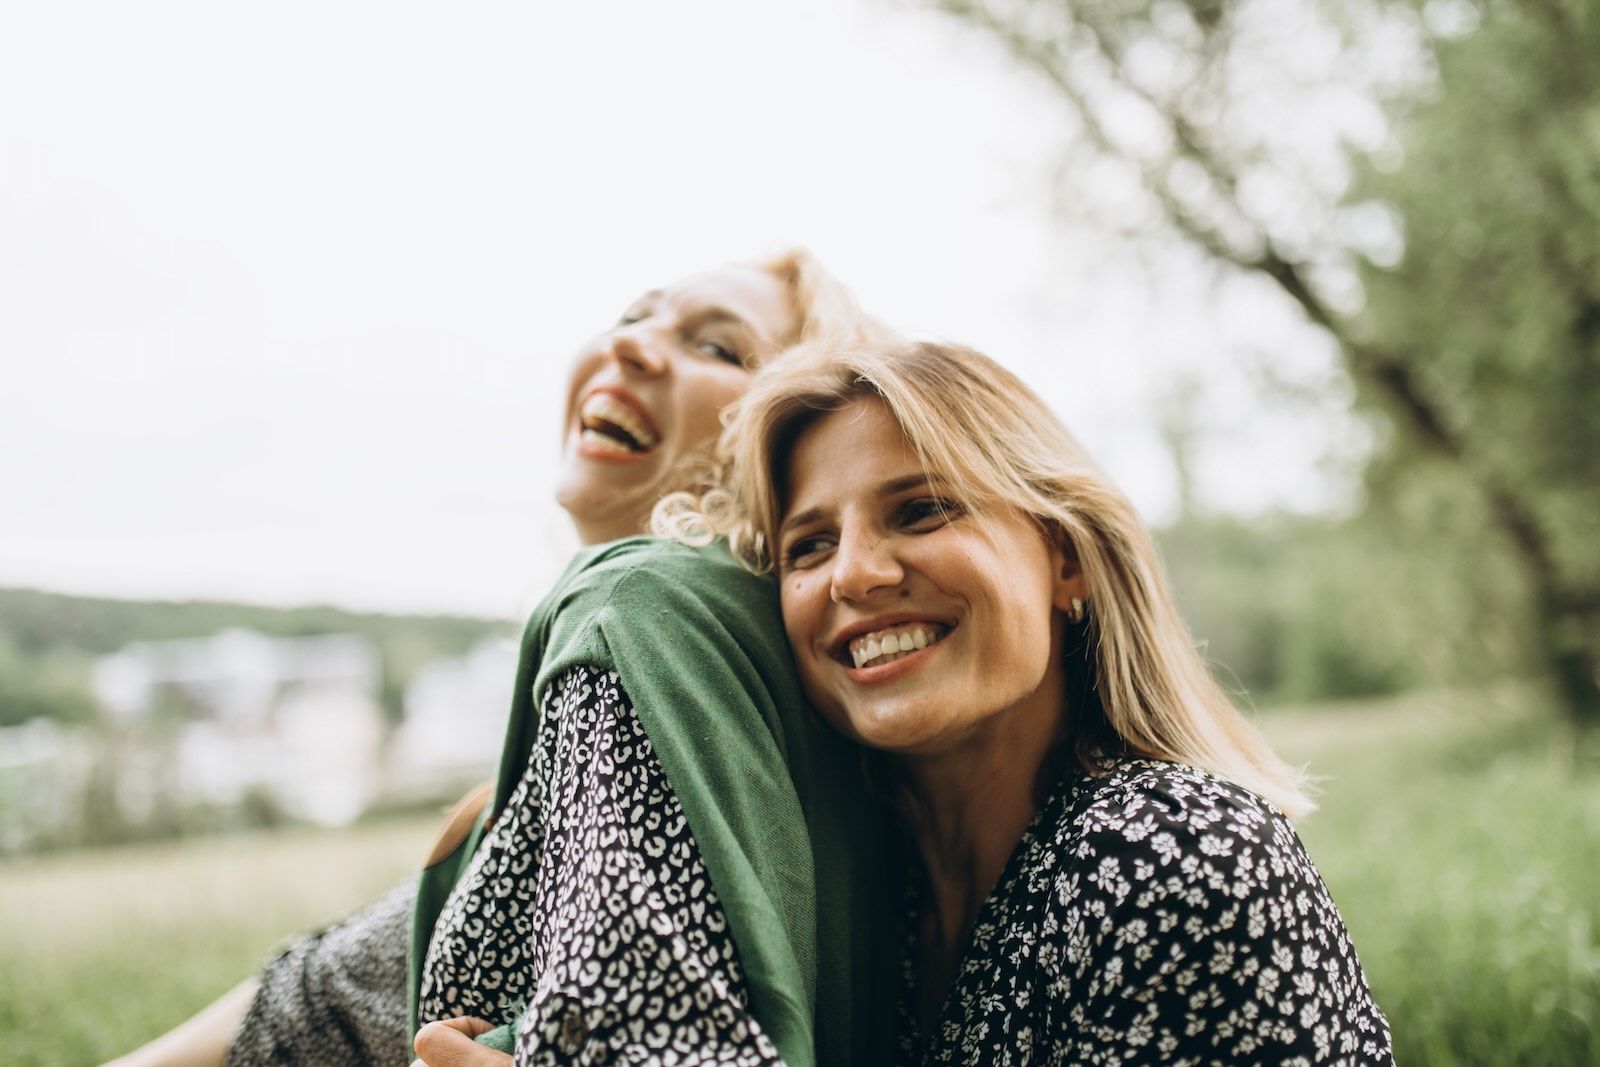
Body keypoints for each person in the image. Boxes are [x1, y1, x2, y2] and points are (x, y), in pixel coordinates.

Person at [107, 251, 898, 1067]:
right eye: (632, 316)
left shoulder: (633, 606)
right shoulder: (722, 688)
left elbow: (651, 1036)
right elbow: (325, 1002)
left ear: (798, 431)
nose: (628, 346)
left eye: (719, 347)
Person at [670, 338, 1396, 1065]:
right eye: (810, 545)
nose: (853, 574)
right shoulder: (856, 899)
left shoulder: (1170, 857)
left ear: (1067, 559)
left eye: (921, 509)